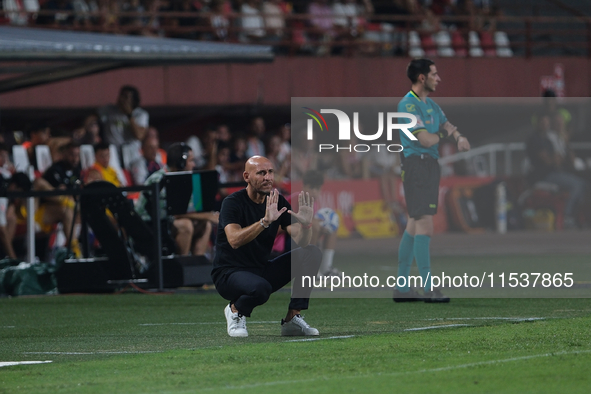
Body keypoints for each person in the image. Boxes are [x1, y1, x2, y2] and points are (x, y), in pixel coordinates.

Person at [212, 156, 322, 338]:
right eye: (261, 173)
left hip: (260, 269)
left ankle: (292, 318)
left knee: (311, 253)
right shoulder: (232, 203)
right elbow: (234, 240)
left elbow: (302, 241)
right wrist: (264, 222)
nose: (268, 178)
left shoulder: (277, 201)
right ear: (246, 176)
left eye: (270, 172)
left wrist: (306, 225)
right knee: (261, 288)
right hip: (228, 273)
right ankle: (235, 310)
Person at [394, 58, 471, 303]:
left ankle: (402, 287)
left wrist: (458, 135)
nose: (439, 78)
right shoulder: (407, 106)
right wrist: (446, 136)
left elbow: (447, 124)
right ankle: (428, 288)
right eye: (434, 74)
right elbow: (425, 140)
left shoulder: (431, 104)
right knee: (424, 224)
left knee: (414, 224)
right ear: (421, 78)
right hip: (417, 166)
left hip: (428, 166)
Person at [135, 142, 219, 257]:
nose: (194, 165)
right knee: (186, 225)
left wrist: (208, 216)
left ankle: (196, 266)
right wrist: (208, 215)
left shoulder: (185, 178)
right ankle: (183, 268)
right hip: (148, 225)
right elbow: (173, 214)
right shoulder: (160, 179)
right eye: (191, 161)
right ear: (181, 163)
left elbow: (190, 209)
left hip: (166, 222)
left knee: (206, 224)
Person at [526, 113, 587, 229]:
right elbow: (548, 160)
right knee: (576, 185)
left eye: (547, 123)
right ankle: (567, 216)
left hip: (555, 173)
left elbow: (566, 159)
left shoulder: (548, 139)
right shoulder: (535, 139)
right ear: (538, 124)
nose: (545, 125)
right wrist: (557, 158)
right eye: (543, 123)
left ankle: (576, 215)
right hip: (543, 175)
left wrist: (565, 142)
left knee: (584, 184)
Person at [97, 85, 149, 151]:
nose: (122, 99)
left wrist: (129, 114)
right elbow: (93, 117)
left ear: (133, 100)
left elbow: (139, 135)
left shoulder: (140, 114)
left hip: (131, 150)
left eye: (126, 97)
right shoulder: (109, 110)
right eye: (121, 96)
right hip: (112, 150)